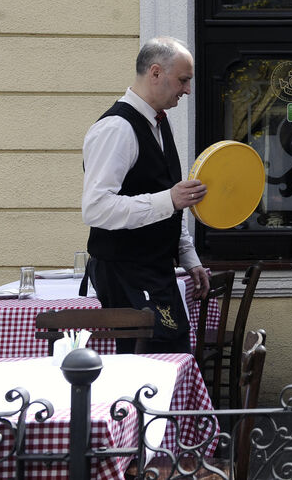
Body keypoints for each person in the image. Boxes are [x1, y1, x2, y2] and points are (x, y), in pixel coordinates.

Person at [81, 37, 210, 353]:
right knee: (151, 363)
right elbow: (96, 208)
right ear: (155, 72)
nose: (187, 90)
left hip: (154, 270)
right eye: (183, 80)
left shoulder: (160, 124)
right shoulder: (116, 128)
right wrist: (169, 199)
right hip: (124, 272)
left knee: (172, 355)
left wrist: (188, 257)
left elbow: (168, 202)